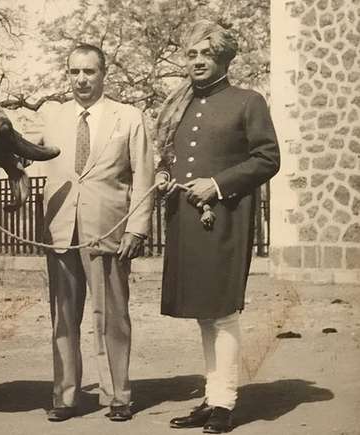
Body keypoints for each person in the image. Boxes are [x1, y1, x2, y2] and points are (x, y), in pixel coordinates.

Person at [154, 20, 280, 433]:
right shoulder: (180, 104)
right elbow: (177, 156)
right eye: (191, 54)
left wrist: (217, 185)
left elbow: (267, 159)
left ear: (224, 57)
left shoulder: (248, 101)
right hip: (187, 220)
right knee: (204, 315)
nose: (197, 62)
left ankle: (226, 402)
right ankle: (212, 397)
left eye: (206, 54)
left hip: (224, 217)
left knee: (222, 311)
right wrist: (164, 175)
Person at [39, 43, 154, 423]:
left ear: (104, 73)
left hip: (109, 231)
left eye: (89, 72)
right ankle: (65, 396)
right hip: (61, 232)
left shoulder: (128, 116)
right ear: (67, 75)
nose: (81, 80)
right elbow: (25, 158)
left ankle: (117, 395)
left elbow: (143, 178)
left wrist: (136, 228)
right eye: (74, 72)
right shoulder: (52, 118)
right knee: (63, 318)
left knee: (112, 317)